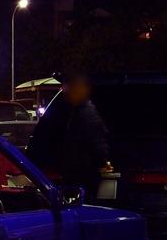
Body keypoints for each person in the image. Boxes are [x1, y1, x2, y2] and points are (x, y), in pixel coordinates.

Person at [26, 73, 111, 201]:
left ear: (82, 90)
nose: (67, 92)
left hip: (82, 175)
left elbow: (97, 145)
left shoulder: (86, 113)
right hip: (74, 174)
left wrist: (100, 162)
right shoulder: (76, 111)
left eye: (71, 89)